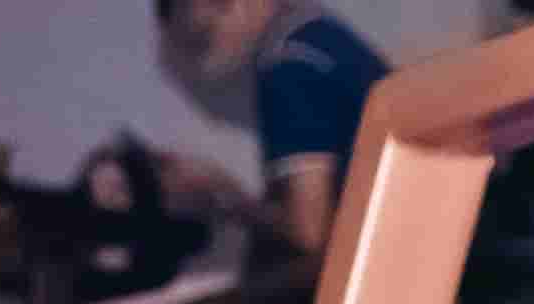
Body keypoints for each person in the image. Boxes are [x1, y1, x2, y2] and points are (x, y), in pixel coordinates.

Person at [151, 0, 393, 255]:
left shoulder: (286, 69)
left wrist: (224, 196)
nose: (205, 65)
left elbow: (309, 233)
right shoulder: (311, 30)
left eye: (202, 40)